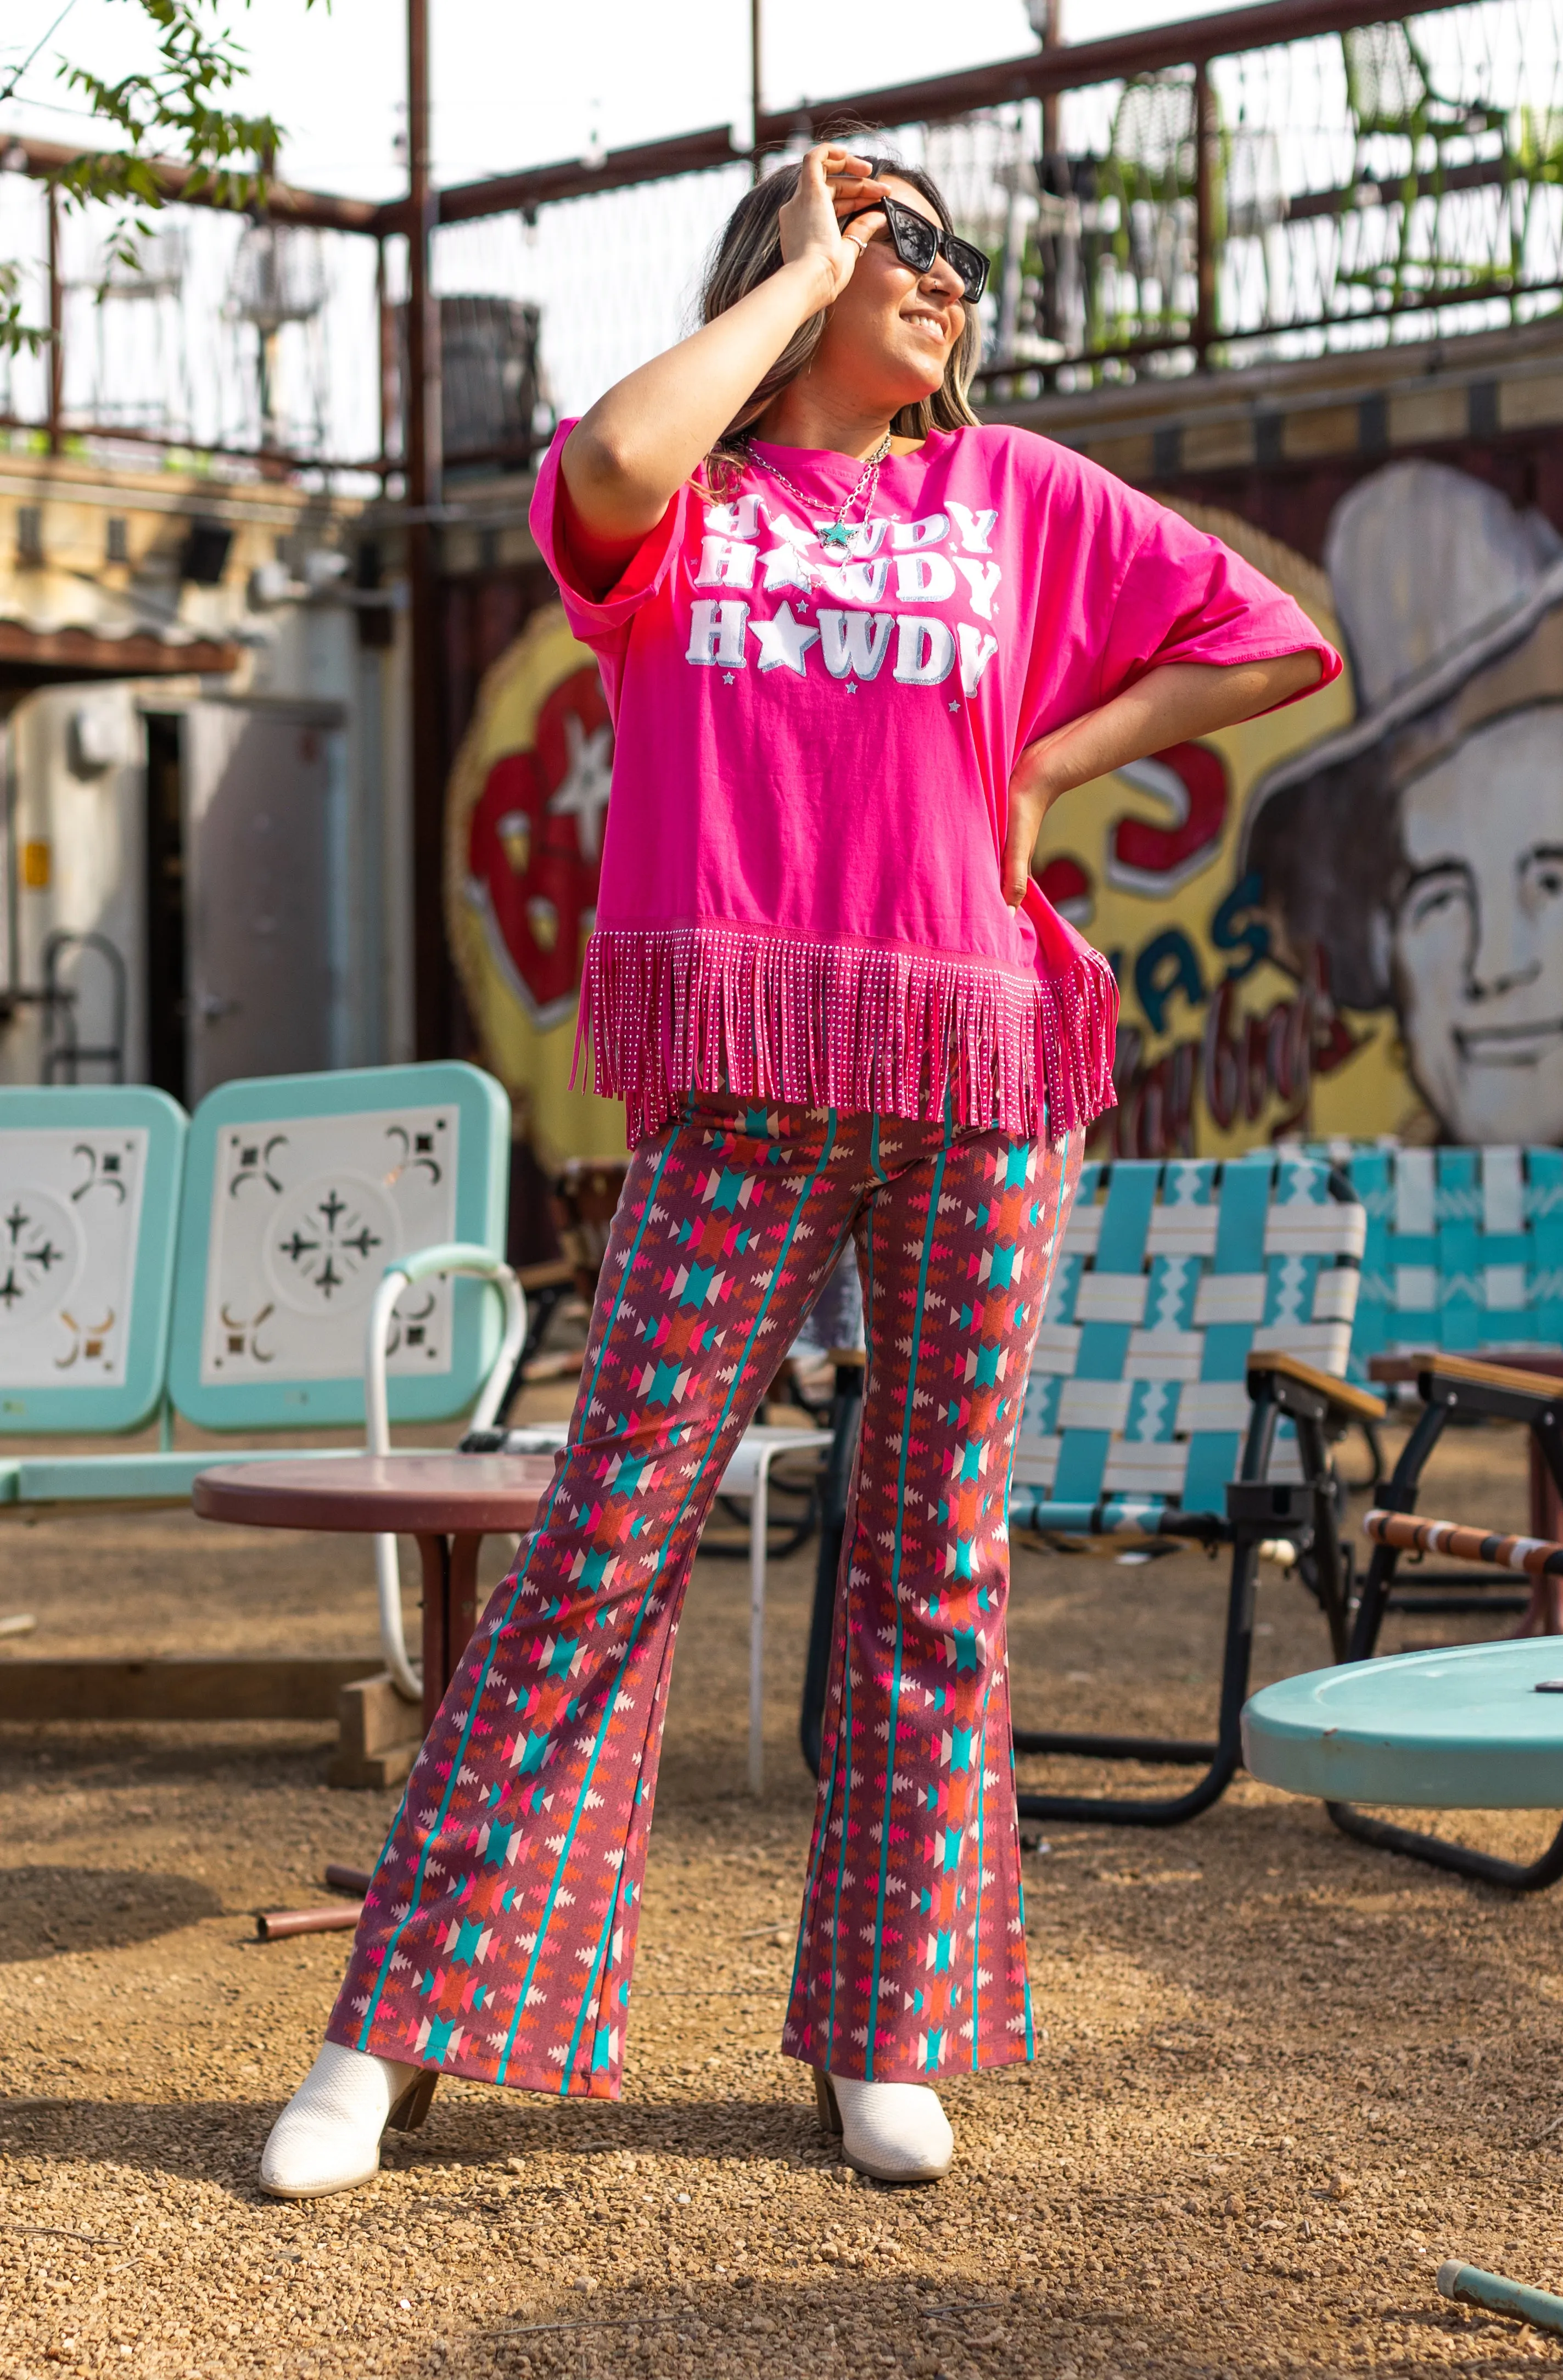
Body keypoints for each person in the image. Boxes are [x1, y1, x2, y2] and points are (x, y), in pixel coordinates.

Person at [261, 141, 1336, 2197]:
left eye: (950, 254)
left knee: (932, 1561)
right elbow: (606, 471)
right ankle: (395, 2032)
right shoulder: (687, 501)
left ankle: (884, 2030)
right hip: (744, 1085)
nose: (943, 280)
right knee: (599, 1541)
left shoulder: (1006, 490)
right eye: (898, 246)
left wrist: (1044, 762)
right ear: (799, 265)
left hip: (977, 1061)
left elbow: (1272, 642)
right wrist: (795, 272)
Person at [1244, 459, 1563, 1152]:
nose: (1493, 966)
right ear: (1379, 936)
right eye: (1440, 896)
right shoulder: (1368, 1226)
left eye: (1552, 879)